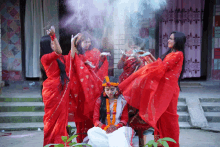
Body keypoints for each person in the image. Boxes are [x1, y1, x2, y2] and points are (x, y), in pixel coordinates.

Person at [119, 31, 186, 147]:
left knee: (169, 118)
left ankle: (171, 144)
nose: (169, 40)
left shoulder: (178, 54)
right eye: (169, 38)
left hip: (169, 91)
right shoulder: (171, 53)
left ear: (178, 41)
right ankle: (160, 143)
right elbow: (159, 66)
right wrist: (148, 58)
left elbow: (161, 68)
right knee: (160, 117)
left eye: (172, 39)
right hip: (164, 89)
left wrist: (144, 69)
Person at [68, 32, 110, 143]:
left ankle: (94, 142)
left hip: (94, 92)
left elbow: (97, 72)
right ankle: (82, 142)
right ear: (79, 43)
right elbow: (72, 62)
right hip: (81, 92)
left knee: (94, 117)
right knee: (81, 120)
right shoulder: (76, 54)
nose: (88, 43)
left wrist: (101, 59)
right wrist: (72, 43)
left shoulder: (95, 52)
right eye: (85, 41)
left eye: (89, 41)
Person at [117, 39, 155, 146]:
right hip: (125, 88)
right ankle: (125, 142)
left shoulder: (144, 56)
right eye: (131, 46)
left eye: (135, 46)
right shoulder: (126, 55)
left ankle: (142, 143)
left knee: (138, 118)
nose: (133, 48)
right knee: (124, 116)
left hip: (138, 90)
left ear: (139, 47)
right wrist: (124, 57)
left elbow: (148, 69)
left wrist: (138, 60)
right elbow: (119, 67)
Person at [40, 26, 72, 146]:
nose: (54, 43)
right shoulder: (45, 58)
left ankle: (61, 143)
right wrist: (53, 35)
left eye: (54, 41)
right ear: (47, 45)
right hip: (52, 90)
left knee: (61, 120)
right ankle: (51, 143)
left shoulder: (59, 59)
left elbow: (68, 56)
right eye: (52, 42)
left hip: (60, 88)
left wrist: (73, 44)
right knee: (51, 119)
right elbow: (59, 51)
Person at [87, 76, 135, 147]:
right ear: (104, 90)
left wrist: (115, 127)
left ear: (116, 89)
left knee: (121, 133)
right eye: (107, 89)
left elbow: (124, 119)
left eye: (112, 89)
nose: (109, 92)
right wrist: (105, 128)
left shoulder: (122, 101)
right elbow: (96, 120)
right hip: (104, 129)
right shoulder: (99, 101)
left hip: (118, 129)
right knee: (91, 131)